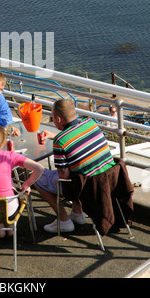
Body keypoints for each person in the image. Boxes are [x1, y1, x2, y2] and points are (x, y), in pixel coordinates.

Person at [35, 99, 116, 233]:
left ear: (58, 119)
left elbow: (63, 175)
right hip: (106, 182)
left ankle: (64, 221)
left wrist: (57, 139)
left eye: (53, 118)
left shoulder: (60, 141)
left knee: (38, 178)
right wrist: (54, 136)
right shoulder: (91, 124)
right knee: (78, 169)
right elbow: (77, 139)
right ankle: (77, 214)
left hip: (84, 188)